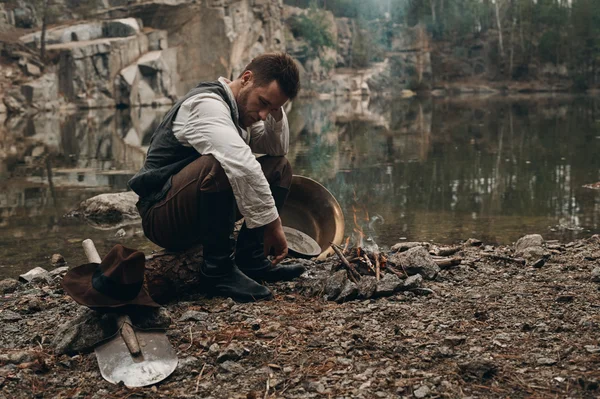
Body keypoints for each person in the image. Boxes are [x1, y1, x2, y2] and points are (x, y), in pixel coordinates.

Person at [128, 52, 305, 302]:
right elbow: (240, 163)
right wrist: (273, 225)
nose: (264, 115)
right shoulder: (206, 105)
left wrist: (276, 111)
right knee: (222, 162)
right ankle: (217, 271)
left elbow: (277, 150)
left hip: (195, 213)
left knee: (280, 167)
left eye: (273, 109)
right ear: (246, 78)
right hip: (161, 216)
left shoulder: (242, 110)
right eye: (263, 103)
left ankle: (250, 259)